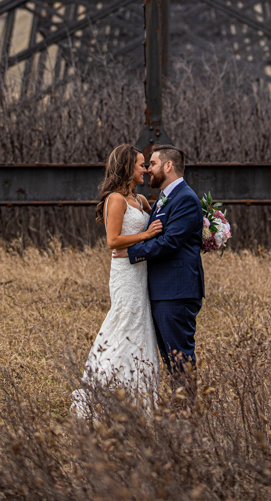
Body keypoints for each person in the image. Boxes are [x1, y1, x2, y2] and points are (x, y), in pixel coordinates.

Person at [71, 144, 163, 416]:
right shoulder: (116, 200)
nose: (145, 169)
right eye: (140, 165)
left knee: (140, 325)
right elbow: (113, 241)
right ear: (126, 167)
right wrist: (144, 237)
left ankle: (138, 394)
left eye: (146, 164)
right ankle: (105, 391)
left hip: (142, 271)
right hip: (125, 273)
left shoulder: (141, 200)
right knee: (124, 322)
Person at [113, 144, 205, 389]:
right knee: (171, 360)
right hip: (163, 290)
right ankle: (181, 413)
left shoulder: (185, 198)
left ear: (168, 166)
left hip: (177, 292)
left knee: (180, 359)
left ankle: (188, 417)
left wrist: (131, 252)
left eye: (152, 164)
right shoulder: (166, 198)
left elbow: (170, 242)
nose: (147, 169)